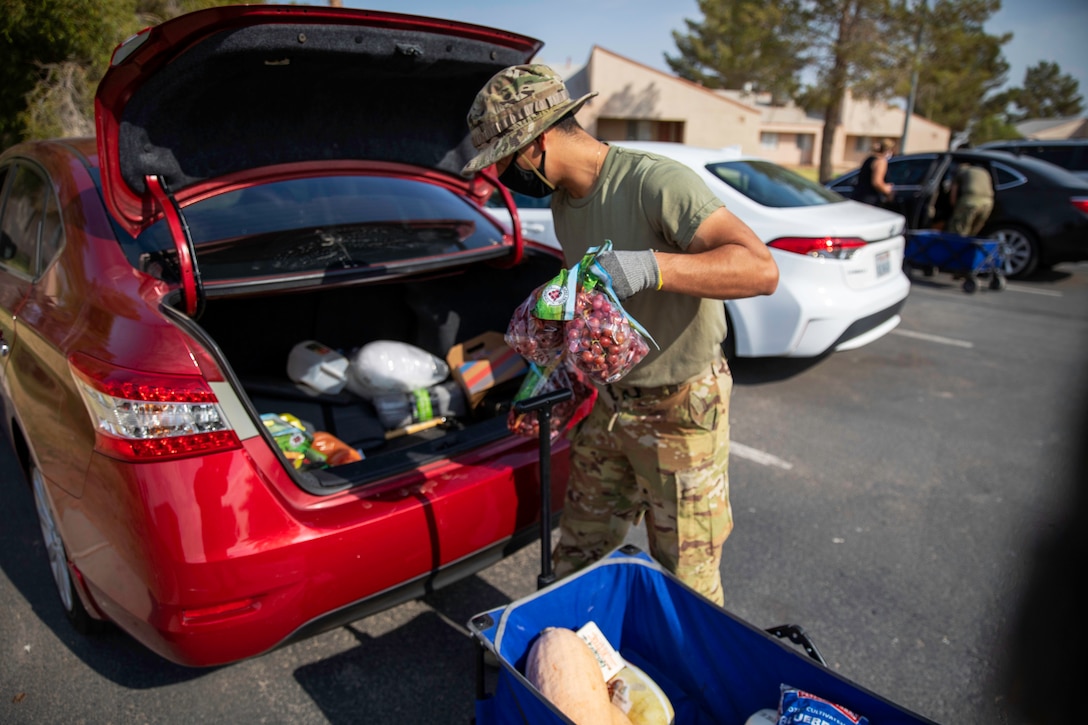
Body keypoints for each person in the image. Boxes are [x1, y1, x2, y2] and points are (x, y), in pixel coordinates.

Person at [461, 64, 779, 605]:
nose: (499, 177)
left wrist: (650, 266)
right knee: (575, 554)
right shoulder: (564, 204)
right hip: (609, 406)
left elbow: (759, 270)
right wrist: (562, 367)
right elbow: (597, 312)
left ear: (535, 144)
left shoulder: (655, 181)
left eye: (503, 162)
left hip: (681, 411)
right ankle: (563, 668)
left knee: (687, 581)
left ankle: (688, 684)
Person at [946, 162, 994, 237]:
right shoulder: (984, 172)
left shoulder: (961, 172)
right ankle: (969, 246)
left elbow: (953, 191)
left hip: (971, 200)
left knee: (959, 229)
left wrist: (954, 205)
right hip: (988, 202)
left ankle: (956, 247)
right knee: (974, 230)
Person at [851, 139, 895, 208]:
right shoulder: (880, 161)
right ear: (888, 150)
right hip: (870, 199)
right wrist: (887, 190)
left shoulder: (870, 159)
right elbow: (877, 182)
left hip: (859, 196)